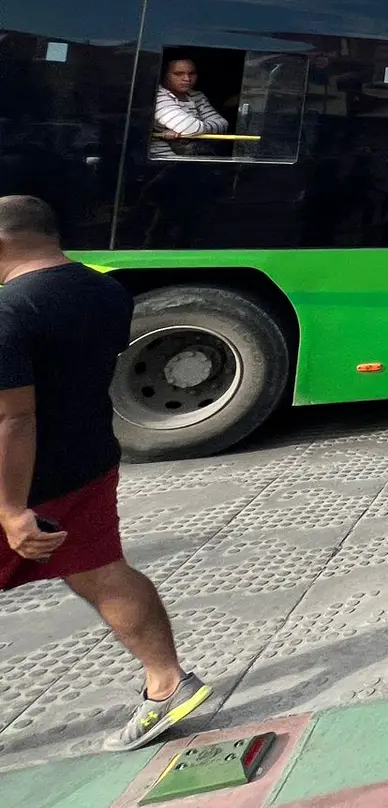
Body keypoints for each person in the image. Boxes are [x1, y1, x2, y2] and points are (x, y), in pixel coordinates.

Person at [0, 196, 209, 751]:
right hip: (89, 460)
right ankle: (168, 684)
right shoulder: (104, 289)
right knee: (102, 570)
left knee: (100, 573)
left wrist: (12, 508)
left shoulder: (10, 310)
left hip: (22, 482)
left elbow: (14, 419)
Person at [152, 55, 228, 157]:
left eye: (192, 73)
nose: (187, 79)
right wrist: (195, 131)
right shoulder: (157, 95)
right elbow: (190, 127)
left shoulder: (197, 96)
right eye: (178, 74)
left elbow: (223, 124)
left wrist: (185, 132)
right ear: (164, 75)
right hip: (164, 160)